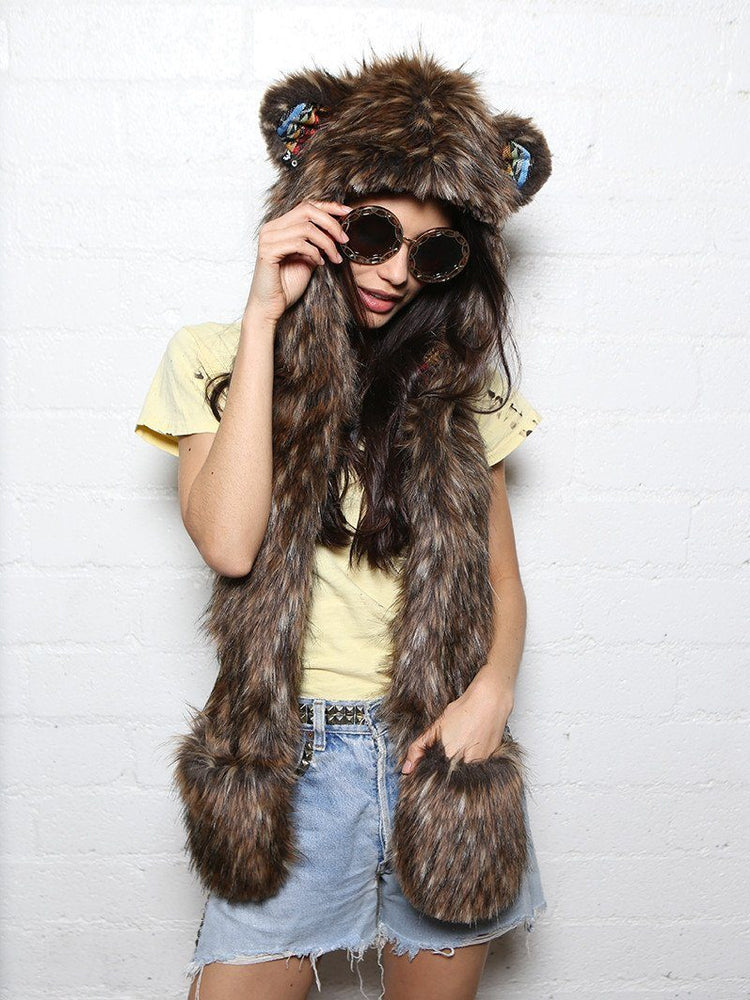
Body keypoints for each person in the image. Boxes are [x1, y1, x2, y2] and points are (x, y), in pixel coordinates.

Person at [135, 49, 549, 1000]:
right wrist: (261, 316)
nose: (397, 273)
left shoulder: (458, 391)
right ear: (321, 211)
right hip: (289, 762)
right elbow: (230, 543)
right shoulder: (210, 357)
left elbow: (502, 581)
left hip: (436, 751)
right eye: (373, 232)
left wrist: (491, 695)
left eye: (430, 253)